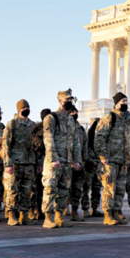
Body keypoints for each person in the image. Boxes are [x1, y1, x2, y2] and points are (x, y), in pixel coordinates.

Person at [94, 92, 130, 226]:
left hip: (124, 161)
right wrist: (103, 156)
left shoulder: (129, 121)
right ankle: (108, 215)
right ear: (116, 103)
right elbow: (99, 137)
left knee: (120, 189)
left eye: (126, 101)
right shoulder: (109, 118)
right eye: (123, 101)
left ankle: (116, 212)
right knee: (109, 188)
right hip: (111, 161)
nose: (125, 103)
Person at [42, 90, 82, 228]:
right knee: (50, 188)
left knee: (64, 189)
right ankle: (48, 218)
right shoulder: (51, 118)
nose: (69, 101)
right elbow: (48, 139)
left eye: (71, 99)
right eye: (67, 99)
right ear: (59, 100)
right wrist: (53, 158)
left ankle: (59, 216)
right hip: (54, 161)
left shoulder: (71, 120)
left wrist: (77, 160)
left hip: (67, 161)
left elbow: (76, 142)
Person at [1, 99, 37, 226]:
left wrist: (38, 163)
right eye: (23, 108)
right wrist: (8, 164)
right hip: (15, 162)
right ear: (18, 109)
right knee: (12, 190)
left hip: (29, 162)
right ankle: (11, 215)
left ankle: (24, 215)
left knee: (27, 190)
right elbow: (5, 145)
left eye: (27, 107)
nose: (26, 109)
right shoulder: (12, 124)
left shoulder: (33, 125)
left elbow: (37, 145)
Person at [67, 106, 88, 222]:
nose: (75, 113)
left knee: (77, 189)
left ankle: (74, 211)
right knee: (65, 188)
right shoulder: (65, 127)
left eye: (76, 112)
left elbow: (84, 146)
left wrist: (82, 161)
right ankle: (63, 209)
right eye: (72, 112)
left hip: (79, 164)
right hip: (68, 163)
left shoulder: (80, 129)